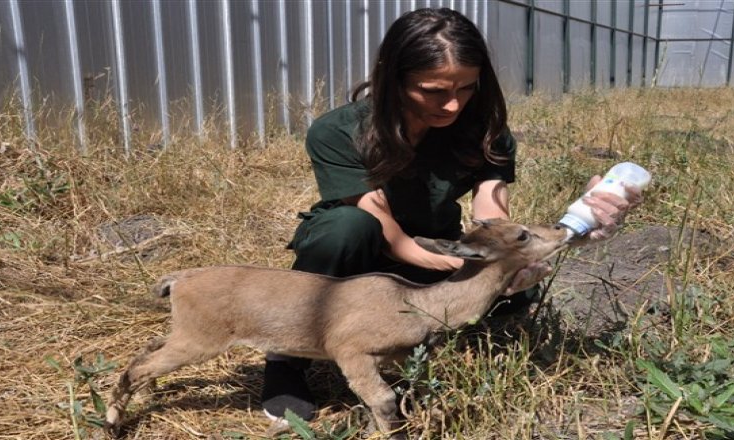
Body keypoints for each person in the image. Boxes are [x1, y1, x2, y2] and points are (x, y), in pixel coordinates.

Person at [260, 7, 640, 422]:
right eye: (433, 90)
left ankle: (415, 349)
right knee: (344, 228)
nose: (453, 104)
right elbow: (385, 226)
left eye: (466, 88)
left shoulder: (483, 130)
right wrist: (463, 268)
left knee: (514, 294)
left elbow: (491, 219)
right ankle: (287, 361)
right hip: (363, 252)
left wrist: (562, 232)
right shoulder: (337, 131)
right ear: (393, 78)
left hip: (440, 247)